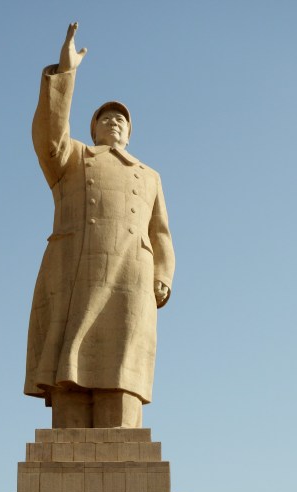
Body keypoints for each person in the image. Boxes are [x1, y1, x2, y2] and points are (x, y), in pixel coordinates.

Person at [25, 23, 175, 428]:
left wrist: (163, 272)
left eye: (121, 120)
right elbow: (49, 136)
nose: (114, 122)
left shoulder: (149, 175)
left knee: (122, 365)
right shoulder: (72, 159)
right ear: (92, 130)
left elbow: (160, 232)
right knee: (70, 365)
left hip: (131, 274)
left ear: (129, 132)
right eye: (106, 118)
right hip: (77, 268)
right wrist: (65, 72)